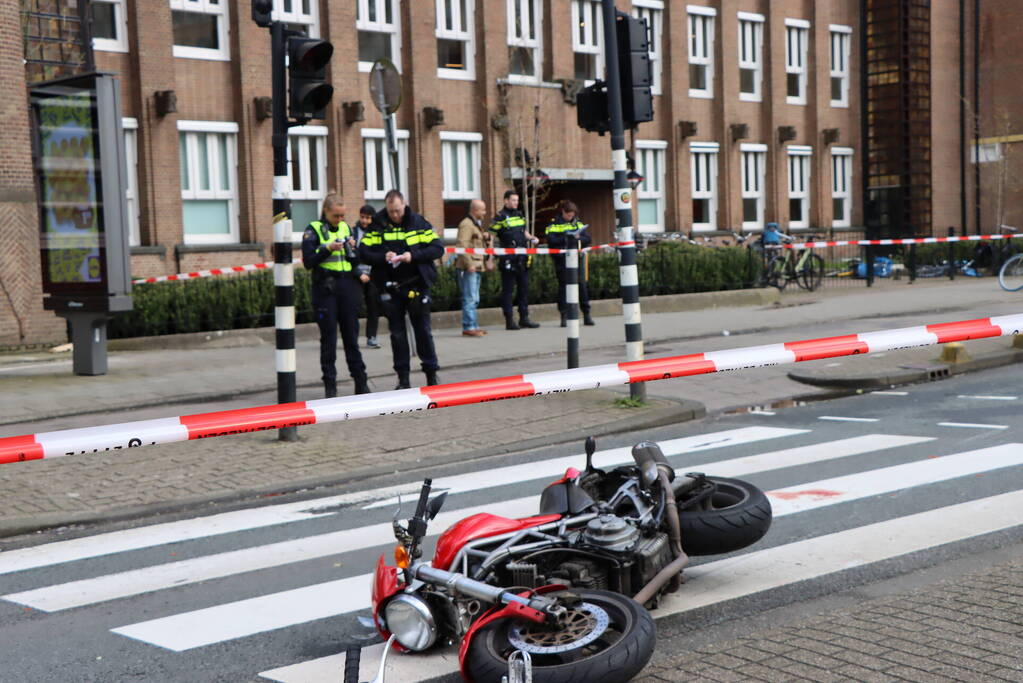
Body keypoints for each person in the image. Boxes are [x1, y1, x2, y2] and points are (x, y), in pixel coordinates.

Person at [359, 189, 444, 389]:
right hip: (391, 287)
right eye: (391, 211)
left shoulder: (418, 222)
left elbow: (437, 248)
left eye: (397, 210)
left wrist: (412, 256)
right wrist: (383, 257)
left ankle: (431, 375)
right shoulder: (378, 225)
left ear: (403, 205)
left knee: (423, 331)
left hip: (417, 284)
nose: (395, 215)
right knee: (397, 335)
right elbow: (363, 252)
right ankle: (403, 379)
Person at [301, 194, 370, 398]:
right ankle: (330, 385)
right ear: (326, 212)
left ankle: (361, 381)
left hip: (347, 286)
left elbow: (352, 260)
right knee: (329, 339)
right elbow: (308, 261)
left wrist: (354, 251)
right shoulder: (313, 229)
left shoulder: (346, 228)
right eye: (336, 216)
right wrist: (328, 248)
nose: (340, 220)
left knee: (352, 337)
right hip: (325, 288)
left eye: (342, 215)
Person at [490, 190, 540, 330]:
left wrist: (531, 237)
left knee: (524, 289)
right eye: (513, 200)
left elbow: (522, 231)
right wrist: (490, 257)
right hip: (508, 257)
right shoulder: (500, 217)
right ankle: (509, 320)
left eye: (517, 201)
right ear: (506, 201)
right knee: (508, 290)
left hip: (522, 257)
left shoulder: (519, 214)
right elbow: (491, 236)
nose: (516, 203)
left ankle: (524, 318)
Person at [546, 199, 595, 327]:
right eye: (568, 214)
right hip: (561, 260)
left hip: (577, 259)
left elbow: (588, 238)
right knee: (564, 287)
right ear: (563, 212)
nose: (570, 217)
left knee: (582, 286)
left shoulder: (577, 223)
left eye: (572, 215)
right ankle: (564, 315)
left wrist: (578, 238)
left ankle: (586, 314)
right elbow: (551, 240)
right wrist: (567, 237)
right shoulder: (554, 224)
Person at [455, 199, 491, 337]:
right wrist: (469, 264)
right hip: (468, 267)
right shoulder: (466, 225)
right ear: (475, 210)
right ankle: (469, 326)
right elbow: (461, 246)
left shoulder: (475, 224)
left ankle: (474, 325)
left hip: (476, 266)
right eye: (483, 210)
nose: (485, 212)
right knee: (469, 298)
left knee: (474, 298)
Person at [355, 205, 382, 349]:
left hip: (372, 275)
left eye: (368, 218)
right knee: (353, 306)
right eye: (362, 217)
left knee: (373, 307)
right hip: (356, 275)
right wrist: (358, 273)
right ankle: (352, 337)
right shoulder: (353, 232)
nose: (364, 221)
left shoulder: (377, 232)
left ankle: (371, 337)